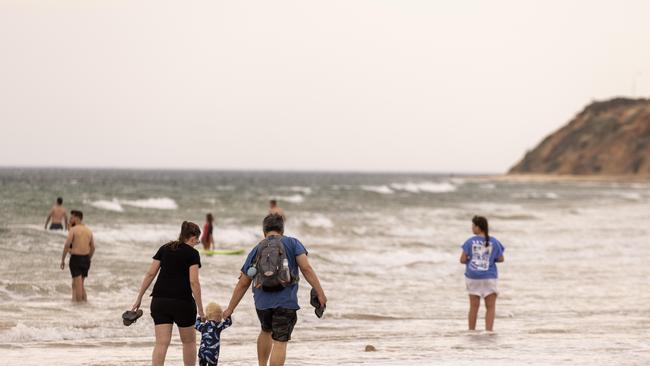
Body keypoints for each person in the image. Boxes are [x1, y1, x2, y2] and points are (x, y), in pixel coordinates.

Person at [223, 214, 327, 366]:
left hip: (262, 303)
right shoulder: (293, 243)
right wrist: (320, 292)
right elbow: (306, 268)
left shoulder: (257, 248)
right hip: (286, 302)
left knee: (265, 330)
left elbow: (243, 283)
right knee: (280, 341)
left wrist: (230, 309)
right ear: (282, 230)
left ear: (264, 231)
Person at [131, 221, 205, 366]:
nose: (197, 243)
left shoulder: (164, 248)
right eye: (197, 240)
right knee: (189, 342)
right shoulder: (193, 254)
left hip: (160, 301)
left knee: (161, 343)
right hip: (182, 302)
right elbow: (194, 282)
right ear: (192, 237)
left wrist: (139, 298)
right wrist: (201, 310)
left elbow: (150, 273)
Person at [459, 215, 505, 331]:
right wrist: (490, 259)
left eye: (473, 226)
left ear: (478, 227)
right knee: (490, 307)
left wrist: (473, 260)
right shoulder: (493, 241)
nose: (472, 228)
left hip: (473, 277)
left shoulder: (469, 242)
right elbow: (501, 259)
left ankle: (471, 331)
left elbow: (462, 260)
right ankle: (489, 331)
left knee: (474, 307)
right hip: (489, 276)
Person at [60, 210, 94, 302]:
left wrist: (62, 259)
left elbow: (67, 245)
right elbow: (93, 247)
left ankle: (79, 308)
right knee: (80, 284)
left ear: (76, 218)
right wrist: (88, 258)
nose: (70, 219)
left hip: (76, 259)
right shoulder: (88, 230)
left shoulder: (73, 230)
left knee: (78, 285)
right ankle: (83, 304)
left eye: (72, 217)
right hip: (86, 258)